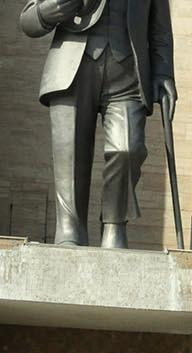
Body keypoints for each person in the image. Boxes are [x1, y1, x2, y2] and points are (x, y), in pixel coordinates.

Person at [20, 0, 177, 249]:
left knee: (127, 149)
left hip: (127, 73)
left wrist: (163, 72)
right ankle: (70, 230)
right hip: (71, 69)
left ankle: (114, 226)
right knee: (70, 154)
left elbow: (160, 29)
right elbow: (28, 20)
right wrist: (54, 9)